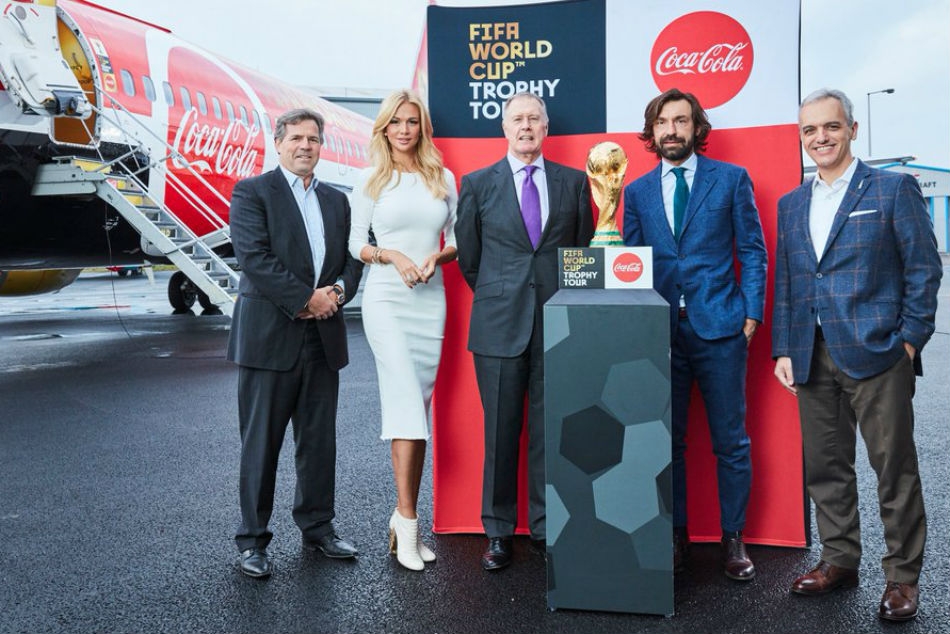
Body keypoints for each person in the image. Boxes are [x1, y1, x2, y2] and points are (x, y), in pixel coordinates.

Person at [772, 88, 941, 621]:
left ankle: (902, 577)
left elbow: (924, 268)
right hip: (811, 353)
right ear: (801, 137)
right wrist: (784, 348)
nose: (820, 137)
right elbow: (789, 282)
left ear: (852, 129)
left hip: (878, 353)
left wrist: (909, 340)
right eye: (810, 130)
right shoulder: (791, 203)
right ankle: (839, 560)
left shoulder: (892, 189)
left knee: (894, 468)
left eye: (831, 126)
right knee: (825, 467)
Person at [622, 88, 767, 581]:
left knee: (731, 441)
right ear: (652, 131)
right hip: (659, 333)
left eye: (681, 121)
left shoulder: (731, 179)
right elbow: (632, 264)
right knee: (668, 443)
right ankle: (675, 536)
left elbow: (752, 249)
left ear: (696, 128)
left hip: (721, 328)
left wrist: (751, 314)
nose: (672, 130)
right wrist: (636, 326)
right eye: (663, 122)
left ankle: (734, 538)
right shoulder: (636, 192)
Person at [456, 92, 593, 571]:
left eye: (534, 118)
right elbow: (470, 260)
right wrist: (502, 293)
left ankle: (545, 526)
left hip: (558, 323)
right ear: (505, 129)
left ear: (546, 127)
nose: (526, 126)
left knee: (550, 431)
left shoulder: (575, 183)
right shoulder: (477, 185)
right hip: (498, 325)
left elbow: (581, 252)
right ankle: (497, 531)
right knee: (499, 432)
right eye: (517, 119)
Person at [227, 108, 364, 578]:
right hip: (269, 338)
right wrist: (307, 299)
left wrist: (337, 294)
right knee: (260, 445)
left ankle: (318, 527)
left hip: (322, 338)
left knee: (318, 442)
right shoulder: (252, 192)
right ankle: (252, 540)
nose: (306, 145)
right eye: (296, 138)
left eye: (313, 138)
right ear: (279, 143)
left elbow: (352, 261)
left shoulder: (336, 201)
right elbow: (254, 258)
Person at [348, 90, 457, 571]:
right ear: (384, 128)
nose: (405, 130)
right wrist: (390, 254)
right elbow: (356, 244)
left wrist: (438, 256)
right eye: (396, 122)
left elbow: (456, 239)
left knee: (419, 411)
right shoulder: (370, 179)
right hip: (388, 301)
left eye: (412, 121)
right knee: (408, 409)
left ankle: (401, 520)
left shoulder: (442, 178)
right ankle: (409, 525)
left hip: (430, 302)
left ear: (422, 127)